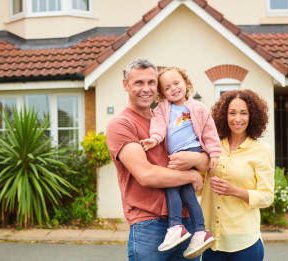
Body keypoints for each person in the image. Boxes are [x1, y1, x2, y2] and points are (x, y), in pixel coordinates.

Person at [106, 59, 209, 261]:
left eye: (151, 83)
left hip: (186, 222)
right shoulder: (121, 124)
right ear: (125, 85)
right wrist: (191, 175)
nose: (146, 89)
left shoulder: (169, 117)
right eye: (139, 83)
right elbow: (146, 175)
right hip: (149, 225)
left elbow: (207, 160)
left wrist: (195, 157)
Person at [139, 67, 221, 257]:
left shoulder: (198, 108)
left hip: (192, 151)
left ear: (186, 83)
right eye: (167, 87)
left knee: (171, 186)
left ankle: (176, 226)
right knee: (184, 190)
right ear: (162, 93)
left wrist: (214, 153)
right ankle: (199, 230)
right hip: (175, 154)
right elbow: (158, 127)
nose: (174, 88)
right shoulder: (161, 109)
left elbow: (210, 133)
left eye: (177, 83)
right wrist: (154, 139)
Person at [201, 89, 275, 261]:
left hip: (245, 244)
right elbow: (199, 187)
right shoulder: (212, 147)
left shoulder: (262, 151)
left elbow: (266, 197)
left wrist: (234, 190)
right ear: (223, 116)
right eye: (232, 113)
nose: (237, 119)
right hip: (211, 241)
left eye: (243, 113)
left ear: (252, 116)